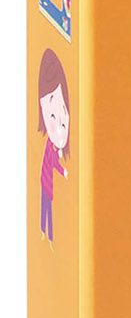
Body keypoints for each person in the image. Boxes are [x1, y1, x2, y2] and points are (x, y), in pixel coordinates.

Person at [37, 49, 70, 245]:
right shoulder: (51, 146)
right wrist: (63, 170)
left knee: (46, 209)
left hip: (46, 185)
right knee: (46, 209)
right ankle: (46, 236)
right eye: (51, 116)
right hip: (45, 184)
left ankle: (47, 236)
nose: (58, 126)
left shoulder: (53, 147)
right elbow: (53, 163)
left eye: (63, 123)